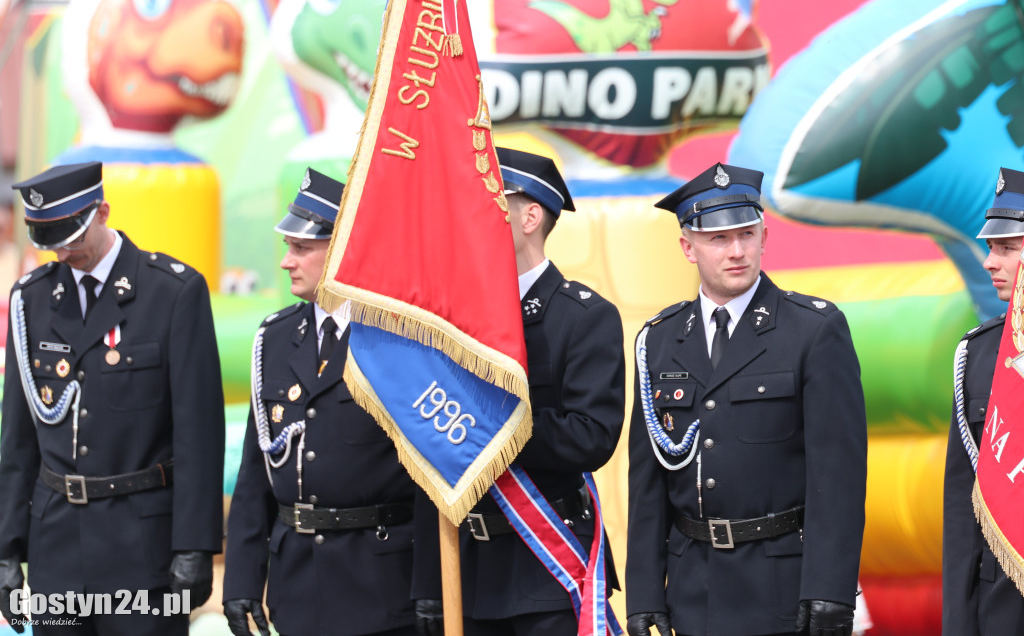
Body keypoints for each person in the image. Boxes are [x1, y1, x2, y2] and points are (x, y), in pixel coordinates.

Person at [625, 162, 867, 636]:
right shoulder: (659, 339)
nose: (737, 251)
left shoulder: (813, 330)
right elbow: (647, 481)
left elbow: (838, 476)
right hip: (692, 595)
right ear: (687, 247)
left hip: (780, 591)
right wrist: (645, 591)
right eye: (718, 239)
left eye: (746, 235)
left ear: (764, 237)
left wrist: (830, 589)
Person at [0, 161, 224, 635]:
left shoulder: (171, 292)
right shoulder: (32, 299)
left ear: (102, 212)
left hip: (140, 543)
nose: (62, 252)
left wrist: (194, 546)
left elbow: (199, 434)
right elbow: (17, 440)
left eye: (71, 237)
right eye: (50, 241)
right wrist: (6, 549)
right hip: (56, 543)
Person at [412, 147, 626, 635]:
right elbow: (429, 449)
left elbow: (591, 436)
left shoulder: (582, 317)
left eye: (487, 202)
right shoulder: (450, 319)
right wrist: (427, 582)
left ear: (529, 217)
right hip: (466, 569)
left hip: (546, 566)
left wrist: (491, 424)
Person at [222, 168, 419, 636]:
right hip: (297, 587)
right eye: (288, 246)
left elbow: (431, 475)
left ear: (343, 250)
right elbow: (256, 473)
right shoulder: (275, 338)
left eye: (301, 248)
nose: (286, 262)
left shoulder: (399, 338)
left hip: (381, 584)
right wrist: (242, 580)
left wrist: (429, 584)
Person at [943, 167, 1024, 635]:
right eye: (991, 247)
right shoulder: (976, 354)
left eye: (1007, 248)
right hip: (1001, 606)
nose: (990, 262)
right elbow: (962, 509)